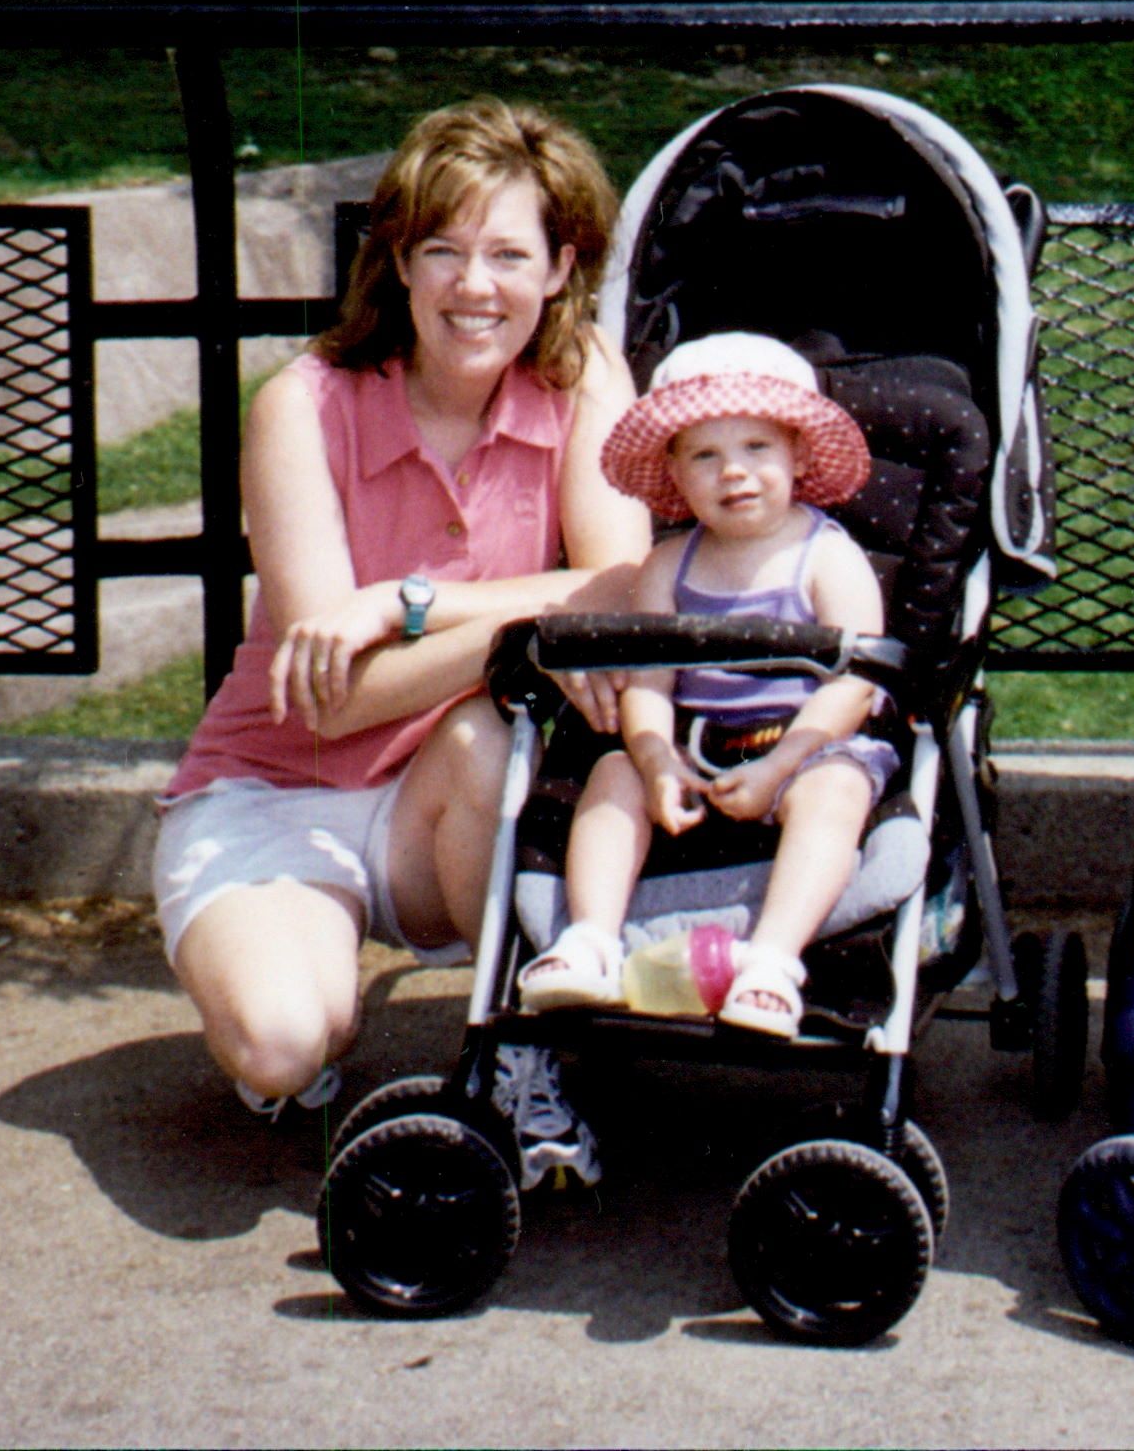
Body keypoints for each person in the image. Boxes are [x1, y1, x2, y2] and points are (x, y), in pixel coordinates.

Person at [160, 100, 649, 1185]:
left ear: (563, 265)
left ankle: (520, 1044)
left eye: (509, 253)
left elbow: (618, 586)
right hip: (276, 793)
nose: (475, 287)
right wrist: (520, 632)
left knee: (485, 733)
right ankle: (305, 1006)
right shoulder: (307, 402)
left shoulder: (582, 380)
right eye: (444, 251)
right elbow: (329, 699)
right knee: (283, 1046)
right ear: (397, 258)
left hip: (445, 794)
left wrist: (404, 600)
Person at [517, 335, 893, 1040]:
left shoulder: (827, 558)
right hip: (696, 746)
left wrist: (780, 766)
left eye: (757, 447)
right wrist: (656, 760)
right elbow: (649, 682)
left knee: (837, 789)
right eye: (705, 455)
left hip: (803, 745)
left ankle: (773, 962)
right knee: (611, 773)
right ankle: (591, 941)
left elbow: (856, 687)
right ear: (675, 473)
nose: (735, 473)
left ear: (800, 454)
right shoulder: (666, 566)